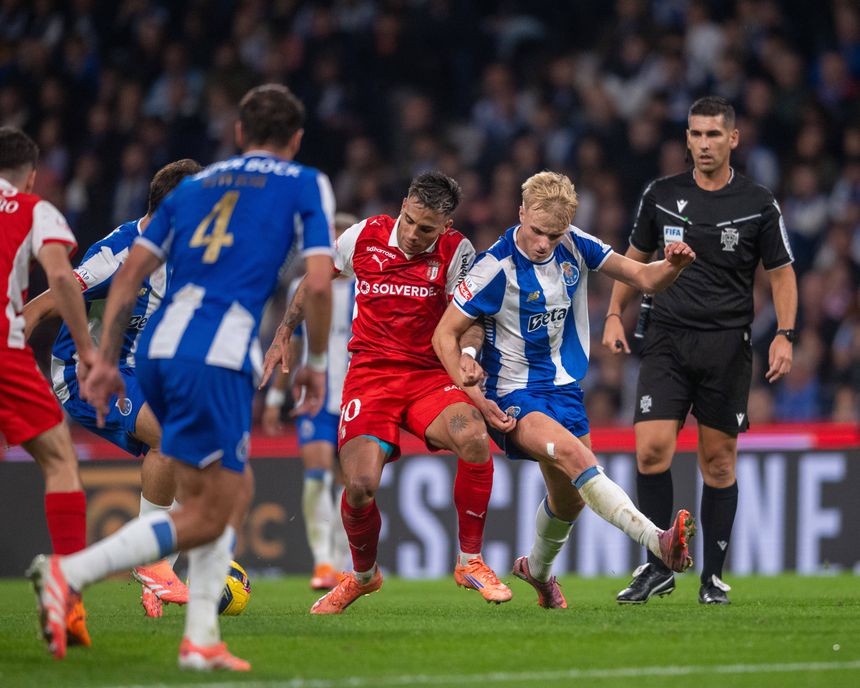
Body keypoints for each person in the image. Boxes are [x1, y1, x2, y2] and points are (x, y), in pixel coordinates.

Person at [27, 83, 334, 670]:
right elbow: (318, 284)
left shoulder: (195, 189)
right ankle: (73, 573)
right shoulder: (303, 183)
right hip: (214, 356)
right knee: (212, 504)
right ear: (295, 140)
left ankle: (199, 640)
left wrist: (106, 357)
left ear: (239, 133)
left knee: (229, 492)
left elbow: (131, 272)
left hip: (163, 352)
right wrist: (315, 363)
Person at [433, 170, 697, 609]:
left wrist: (673, 266)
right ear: (520, 214)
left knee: (569, 499)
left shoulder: (576, 243)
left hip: (565, 390)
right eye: (536, 231)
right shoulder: (493, 267)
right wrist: (471, 388)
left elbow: (646, 279)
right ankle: (660, 541)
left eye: (553, 235)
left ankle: (535, 571)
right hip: (514, 394)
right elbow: (445, 333)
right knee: (578, 458)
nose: (543, 243)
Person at [261, 171, 512, 614]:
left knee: (473, 435)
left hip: (428, 375)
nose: (414, 234)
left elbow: (469, 318)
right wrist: (284, 331)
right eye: (410, 220)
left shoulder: (459, 253)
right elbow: (317, 281)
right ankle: (362, 576)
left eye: (427, 228)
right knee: (359, 485)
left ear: (446, 226)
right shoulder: (365, 235)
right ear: (403, 205)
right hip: (371, 377)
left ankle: (470, 560)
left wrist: (469, 352)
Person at [602, 96, 797, 605]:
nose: (703, 144)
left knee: (718, 462)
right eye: (695, 134)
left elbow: (781, 273)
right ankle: (658, 565)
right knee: (650, 450)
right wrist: (613, 314)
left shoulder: (757, 201)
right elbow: (633, 260)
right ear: (686, 139)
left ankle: (712, 577)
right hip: (665, 337)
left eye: (714, 134)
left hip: (726, 346)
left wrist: (786, 333)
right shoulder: (662, 194)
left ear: (733, 138)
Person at [24, 159, 203, 618]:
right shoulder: (117, 255)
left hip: (146, 370)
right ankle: (154, 567)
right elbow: (46, 304)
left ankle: (156, 578)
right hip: (85, 373)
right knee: (170, 436)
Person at [0, 126, 95, 647]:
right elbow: (61, 278)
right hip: (4, 349)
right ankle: (69, 599)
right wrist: (84, 349)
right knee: (59, 460)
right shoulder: (34, 209)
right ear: (31, 174)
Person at [262, 212, 356, 590]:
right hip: (315, 399)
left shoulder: (366, 286)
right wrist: (275, 397)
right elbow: (293, 342)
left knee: (351, 482)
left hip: (355, 397)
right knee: (316, 473)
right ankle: (323, 563)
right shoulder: (303, 288)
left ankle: (342, 555)